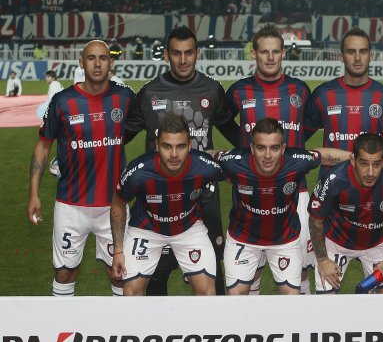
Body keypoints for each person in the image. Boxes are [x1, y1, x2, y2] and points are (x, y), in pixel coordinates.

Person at [125, 26, 240, 296]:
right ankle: (158, 331)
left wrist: (263, 156)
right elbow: (121, 136)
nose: (183, 59)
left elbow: (232, 131)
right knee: (156, 274)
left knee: (212, 269)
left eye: (189, 52)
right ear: (167, 55)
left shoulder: (212, 89)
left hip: (203, 194)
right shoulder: (150, 93)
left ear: (197, 54)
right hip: (159, 197)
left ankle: (215, 331)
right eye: (176, 53)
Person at [27, 40, 135, 296]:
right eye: (91, 58)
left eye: (103, 58)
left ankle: (122, 333)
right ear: (81, 62)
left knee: (120, 275)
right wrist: (33, 193)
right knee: (65, 272)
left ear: (111, 62)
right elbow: (43, 146)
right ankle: (61, 331)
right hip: (70, 205)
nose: (97, 64)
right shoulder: (63, 101)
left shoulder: (125, 97)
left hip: (113, 206)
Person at [225, 23, 313, 295]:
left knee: (301, 266)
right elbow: (226, 123)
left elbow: (308, 126)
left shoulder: (300, 90)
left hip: (294, 190)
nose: (270, 57)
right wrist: (243, 146)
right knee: (253, 268)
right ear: (254, 54)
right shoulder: (239, 91)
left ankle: (302, 325)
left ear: (283, 53)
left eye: (275, 51)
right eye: (264, 52)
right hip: (249, 190)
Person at [217, 118, 350, 295]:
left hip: (285, 240)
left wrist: (357, 158)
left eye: (274, 148)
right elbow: (209, 156)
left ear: (283, 148)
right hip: (243, 239)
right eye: (261, 147)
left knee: (290, 301)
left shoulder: (296, 161)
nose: (267, 155)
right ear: (251, 148)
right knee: (236, 298)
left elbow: (323, 156)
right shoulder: (234, 161)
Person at [111, 114, 222, 296]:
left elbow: (239, 174)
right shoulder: (138, 173)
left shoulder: (205, 166)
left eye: (181, 146)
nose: (174, 155)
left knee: (207, 294)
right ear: (156, 145)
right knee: (131, 294)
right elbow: (117, 204)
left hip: (189, 228)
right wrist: (118, 250)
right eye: (166, 146)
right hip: (146, 229)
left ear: (190, 144)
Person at [308, 133, 383, 294]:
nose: (370, 172)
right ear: (353, 160)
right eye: (363, 164)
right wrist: (322, 260)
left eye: (376, 164)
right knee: (325, 305)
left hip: (377, 243)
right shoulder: (335, 179)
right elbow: (316, 219)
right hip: (337, 243)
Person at [304, 26, 383, 179]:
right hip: (331, 189)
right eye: (351, 52)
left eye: (363, 51)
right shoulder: (323, 95)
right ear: (341, 56)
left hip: (374, 190)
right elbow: (298, 136)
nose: (358, 58)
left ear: (370, 56)